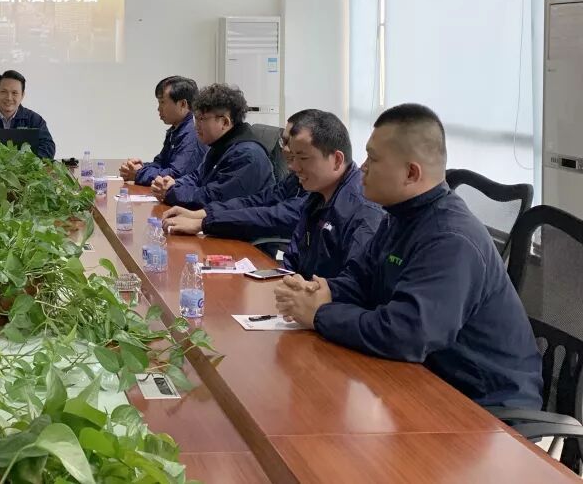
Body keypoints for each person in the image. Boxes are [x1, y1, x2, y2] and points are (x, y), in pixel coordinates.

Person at [275, 103, 543, 410]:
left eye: (373, 159)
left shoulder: (450, 239)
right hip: (426, 380)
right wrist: (323, 291)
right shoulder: (399, 217)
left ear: (411, 173)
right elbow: (362, 280)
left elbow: (405, 333)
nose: (362, 168)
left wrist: (319, 314)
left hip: (486, 407)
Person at [162, 109, 313, 239]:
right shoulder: (218, 147)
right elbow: (256, 201)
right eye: (284, 142)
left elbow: (273, 215)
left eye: (202, 119)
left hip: (252, 239)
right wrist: (201, 214)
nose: (286, 150)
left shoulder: (247, 154)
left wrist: (203, 222)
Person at [278, 111, 382, 278]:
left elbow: (355, 282)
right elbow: (292, 258)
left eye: (303, 158)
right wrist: (284, 280)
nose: (294, 167)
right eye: (293, 158)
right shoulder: (316, 196)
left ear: (337, 160)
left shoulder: (364, 210)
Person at [150, 84, 273, 209]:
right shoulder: (220, 145)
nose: (196, 126)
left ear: (224, 122)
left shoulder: (247, 155)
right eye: (196, 119)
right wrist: (173, 184)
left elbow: (214, 198)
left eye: (201, 119)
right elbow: (197, 177)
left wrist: (172, 192)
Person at [119, 76, 206, 185]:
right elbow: (160, 164)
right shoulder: (176, 130)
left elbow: (175, 175)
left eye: (162, 102)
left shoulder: (193, 133)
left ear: (183, 104)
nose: (158, 108)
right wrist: (138, 167)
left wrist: (138, 173)